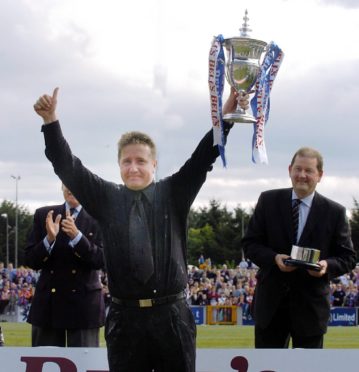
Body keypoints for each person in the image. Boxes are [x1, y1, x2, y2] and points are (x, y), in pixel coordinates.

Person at [33, 87, 246, 371]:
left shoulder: (174, 193)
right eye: (127, 161)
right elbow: (67, 166)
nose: (133, 168)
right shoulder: (106, 198)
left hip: (173, 317)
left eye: (141, 161)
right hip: (125, 319)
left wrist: (225, 118)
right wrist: (50, 121)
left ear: (154, 165)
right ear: (118, 165)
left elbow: (203, 157)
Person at [241, 147, 356, 348]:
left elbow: (347, 257)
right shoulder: (268, 201)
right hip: (271, 308)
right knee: (267, 367)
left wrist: (326, 266)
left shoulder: (335, 212)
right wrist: (274, 258)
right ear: (289, 170)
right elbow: (250, 244)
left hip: (310, 309)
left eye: (309, 171)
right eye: (298, 169)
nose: (302, 175)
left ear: (320, 175)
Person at [25, 184, 105, 347]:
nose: (71, 188)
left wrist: (78, 238)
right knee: (45, 362)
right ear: (61, 187)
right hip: (48, 305)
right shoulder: (44, 215)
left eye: (74, 182)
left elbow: (102, 261)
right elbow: (30, 261)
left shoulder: (100, 217)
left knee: (84, 363)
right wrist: (48, 240)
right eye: (66, 183)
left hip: (84, 306)